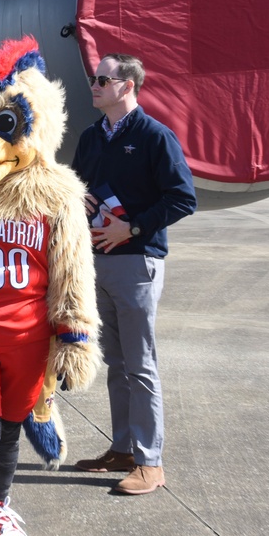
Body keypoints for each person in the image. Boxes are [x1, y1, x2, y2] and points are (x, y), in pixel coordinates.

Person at [70, 53, 197, 495]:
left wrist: (134, 226)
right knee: (117, 363)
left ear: (127, 86)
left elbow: (183, 198)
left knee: (141, 365)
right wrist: (77, 198)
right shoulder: (90, 138)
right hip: (95, 260)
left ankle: (151, 462)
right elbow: (77, 183)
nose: (95, 84)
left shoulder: (154, 136)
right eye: (94, 78)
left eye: (103, 78)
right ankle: (122, 449)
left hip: (137, 261)